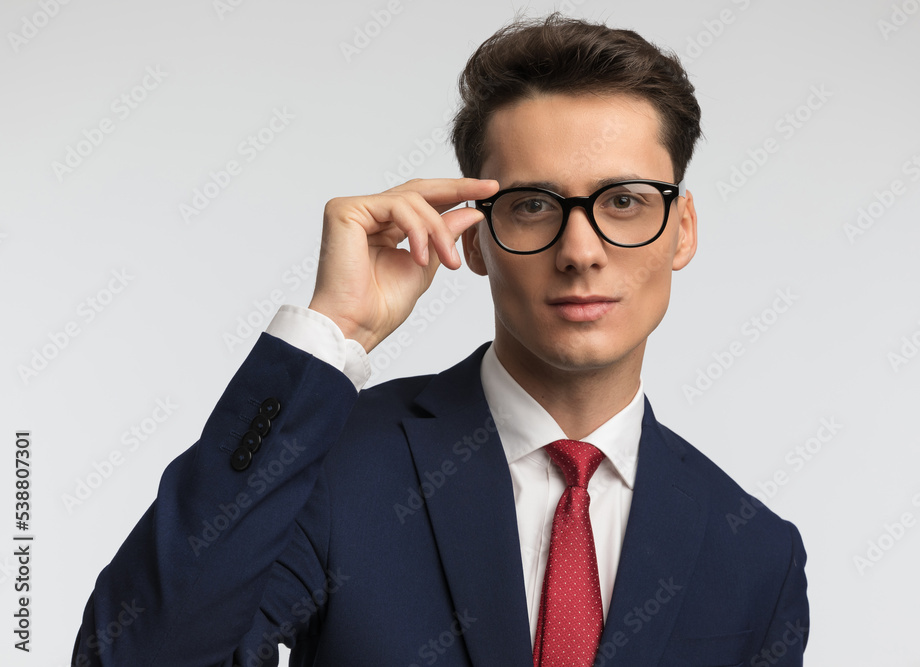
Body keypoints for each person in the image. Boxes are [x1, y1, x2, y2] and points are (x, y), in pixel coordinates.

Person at [73, 13, 808, 667]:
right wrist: (337, 330)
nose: (581, 250)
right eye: (531, 205)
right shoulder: (327, 466)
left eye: (623, 202)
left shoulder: (755, 553)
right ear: (478, 237)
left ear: (682, 230)